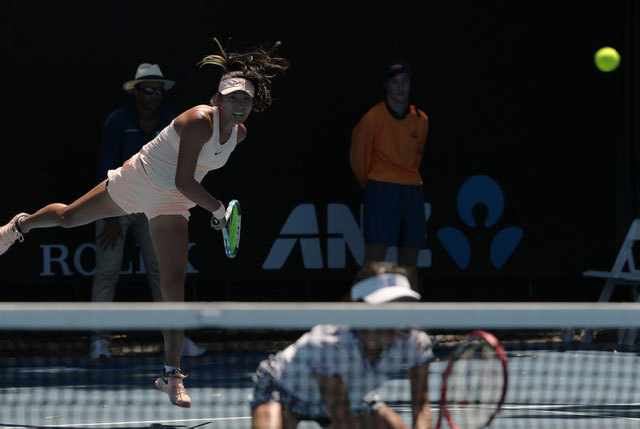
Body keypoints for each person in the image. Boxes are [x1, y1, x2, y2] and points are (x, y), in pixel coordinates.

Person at [0, 38, 289, 408]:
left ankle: (172, 375)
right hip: (138, 180)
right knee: (70, 217)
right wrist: (218, 211)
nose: (239, 105)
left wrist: (214, 210)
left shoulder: (240, 134)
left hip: (172, 201)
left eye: (245, 99)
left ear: (253, 104)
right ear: (216, 98)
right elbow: (187, 179)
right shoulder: (198, 120)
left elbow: (188, 182)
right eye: (231, 97)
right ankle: (19, 226)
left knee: (173, 287)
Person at [90, 63, 204, 361]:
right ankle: (99, 340)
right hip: (117, 203)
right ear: (136, 93)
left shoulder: (172, 123)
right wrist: (112, 217)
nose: (155, 95)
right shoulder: (116, 122)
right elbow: (105, 168)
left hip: (155, 206)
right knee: (106, 272)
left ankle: (176, 341)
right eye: (149, 90)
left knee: (164, 273)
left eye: (159, 90)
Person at [250, 261, 434, 429]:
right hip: (285, 390)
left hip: (352, 397)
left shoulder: (414, 342)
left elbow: (421, 406)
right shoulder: (330, 342)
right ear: (359, 308)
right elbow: (342, 418)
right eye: (385, 307)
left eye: (400, 306)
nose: (394, 317)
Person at [350, 61, 429, 294]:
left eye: (405, 81)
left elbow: (416, 158)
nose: (400, 87)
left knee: (410, 260)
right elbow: (359, 161)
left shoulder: (421, 119)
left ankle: (411, 320)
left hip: (412, 190)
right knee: (374, 260)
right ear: (386, 86)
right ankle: (360, 316)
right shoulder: (372, 118)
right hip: (381, 190)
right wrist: (375, 183)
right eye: (395, 82)